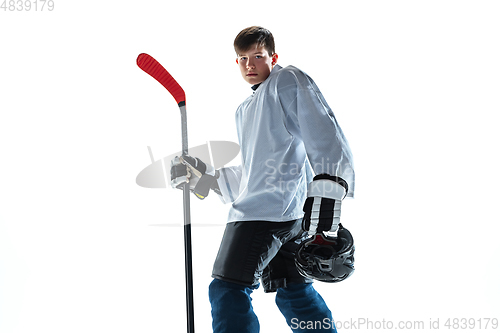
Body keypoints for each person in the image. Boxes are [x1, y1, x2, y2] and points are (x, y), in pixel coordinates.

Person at [171, 26, 355, 333]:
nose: (249, 64)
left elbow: (323, 129)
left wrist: (328, 187)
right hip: (287, 216)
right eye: (242, 58)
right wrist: (204, 178)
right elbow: (256, 169)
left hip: (263, 215)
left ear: (273, 57)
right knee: (293, 289)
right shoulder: (245, 109)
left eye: (257, 56)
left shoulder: (287, 81)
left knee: (227, 289)